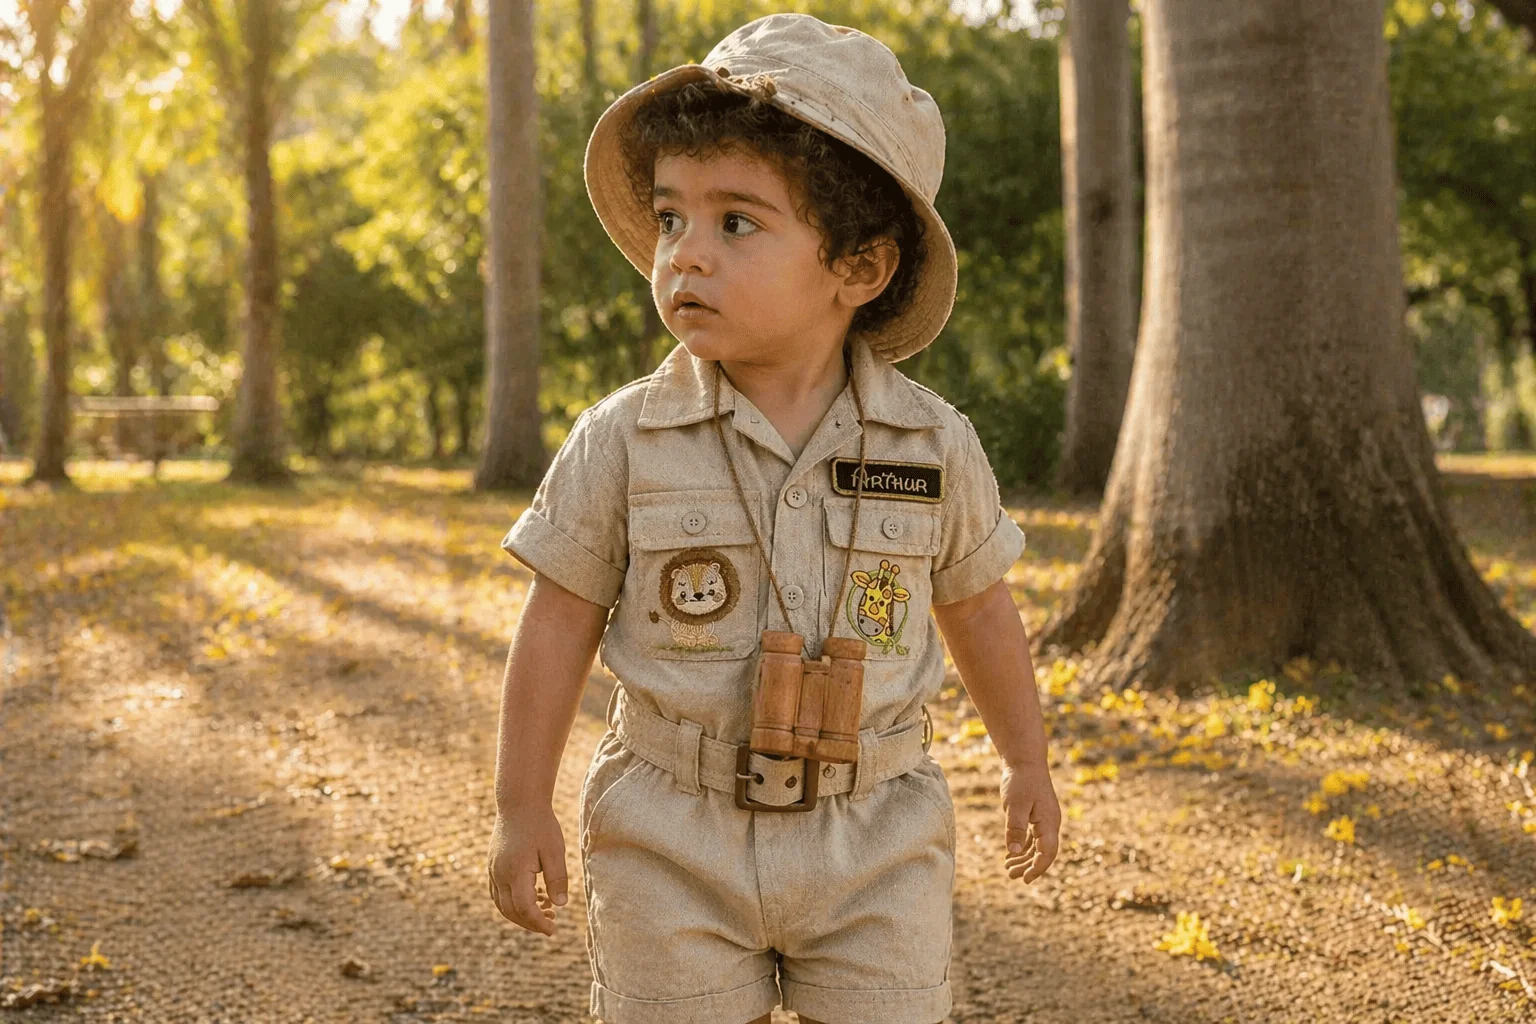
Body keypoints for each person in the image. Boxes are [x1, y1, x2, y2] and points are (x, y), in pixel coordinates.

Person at [488, 13, 1060, 1024]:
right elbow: (557, 621)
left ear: (859, 269)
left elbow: (978, 608)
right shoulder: (624, 440)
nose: (685, 256)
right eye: (671, 219)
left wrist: (1026, 761)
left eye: (735, 223)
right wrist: (519, 803)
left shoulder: (931, 446)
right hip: (672, 832)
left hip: (875, 837)